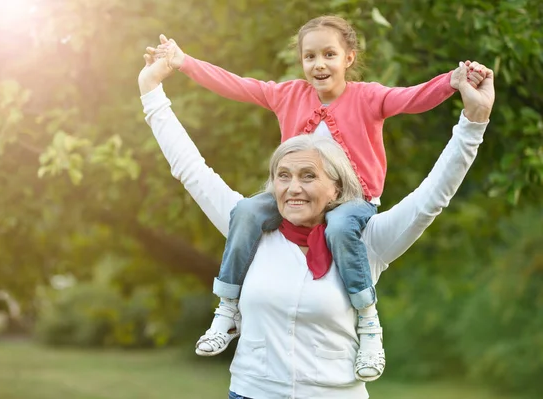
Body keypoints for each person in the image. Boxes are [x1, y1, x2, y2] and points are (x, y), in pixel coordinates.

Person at [138, 50, 494, 398]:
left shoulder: (364, 239)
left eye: (309, 176)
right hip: (252, 392)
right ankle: (224, 315)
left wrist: (473, 122)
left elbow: (432, 197)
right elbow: (190, 169)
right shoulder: (250, 226)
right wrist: (151, 92)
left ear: (336, 186)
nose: (294, 188)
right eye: (283, 176)